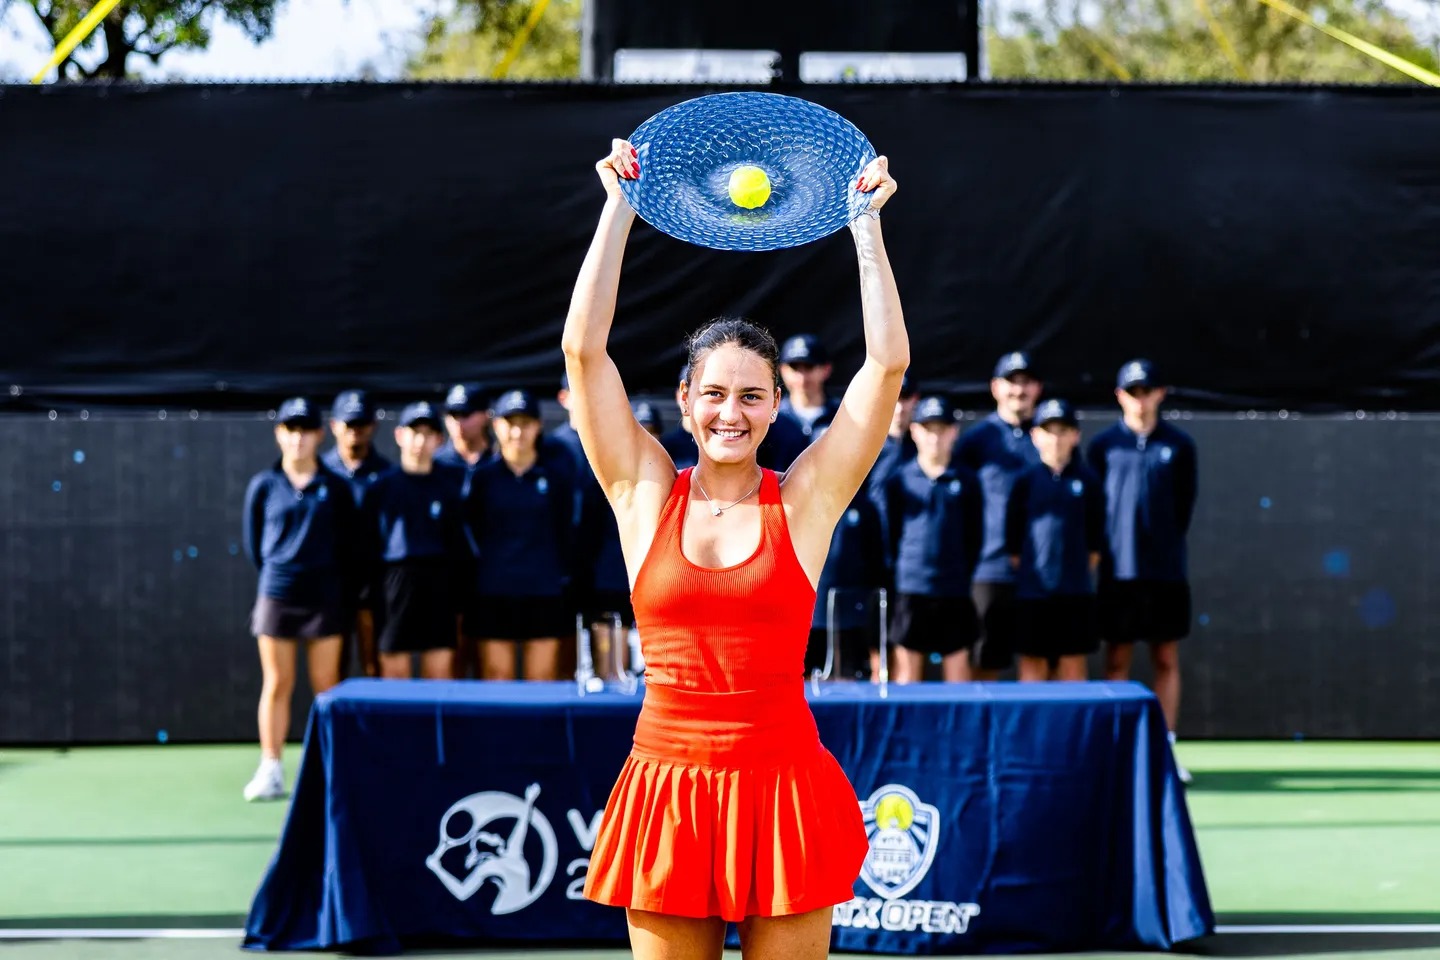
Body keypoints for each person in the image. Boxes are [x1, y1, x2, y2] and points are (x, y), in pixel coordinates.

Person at [563, 138, 905, 960]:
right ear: (684, 401)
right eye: (713, 393)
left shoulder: (807, 499)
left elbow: (887, 366)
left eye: (752, 396)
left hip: (784, 787)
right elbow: (582, 352)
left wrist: (864, 227)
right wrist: (619, 207)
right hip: (666, 789)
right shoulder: (643, 491)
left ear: (777, 405)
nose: (731, 412)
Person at [1086, 359, 1199, 781]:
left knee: (1165, 658)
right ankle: (1118, 749)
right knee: (1116, 659)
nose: (1140, 398)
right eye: (1132, 391)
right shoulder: (1103, 448)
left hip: (1166, 573)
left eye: (1146, 390)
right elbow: (1097, 511)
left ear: (1160, 393)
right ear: (1119, 396)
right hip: (1118, 574)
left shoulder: (1180, 446)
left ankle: (1165, 749)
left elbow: (1184, 509)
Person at [240, 398, 357, 802]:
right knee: (277, 682)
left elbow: (348, 544)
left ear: (319, 435)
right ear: (279, 435)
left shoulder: (336, 487)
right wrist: (281, 575)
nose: (298, 438)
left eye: (306, 430)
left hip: (325, 598)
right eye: (290, 429)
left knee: (326, 687)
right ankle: (270, 767)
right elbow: (255, 545)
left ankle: (332, 766)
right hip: (277, 596)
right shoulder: (264, 486)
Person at [461, 389, 576, 681]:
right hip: (494, 591)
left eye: (525, 423)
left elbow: (567, 528)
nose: (517, 431)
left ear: (538, 426)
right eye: (509, 422)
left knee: (544, 678)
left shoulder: (555, 476)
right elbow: (471, 528)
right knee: (496, 678)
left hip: (544, 591)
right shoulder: (482, 478)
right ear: (496, 426)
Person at [875, 395, 983, 683]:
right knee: (907, 670)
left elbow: (975, 535)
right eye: (928, 428)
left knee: (958, 670)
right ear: (915, 431)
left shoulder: (968, 480)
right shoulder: (900, 480)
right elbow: (893, 532)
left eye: (942, 428)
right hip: (912, 586)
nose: (935, 437)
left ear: (954, 432)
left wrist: (961, 571)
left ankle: (959, 729)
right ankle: (905, 729)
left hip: (954, 587)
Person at [953, 350, 1044, 680]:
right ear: (995, 387)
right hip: (989, 569)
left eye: (1026, 382)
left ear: (1038, 388)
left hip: (1043, 572)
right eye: (1011, 382)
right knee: (985, 661)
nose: (1018, 390)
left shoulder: (1051, 433)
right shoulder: (977, 440)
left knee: (1039, 661)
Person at [361, 402, 469, 681]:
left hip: (439, 584)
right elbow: (367, 547)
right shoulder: (381, 487)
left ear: (439, 439)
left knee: (440, 675)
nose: (420, 441)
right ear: (399, 435)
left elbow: (459, 545)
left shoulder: (451, 485)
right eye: (414, 432)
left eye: (428, 433)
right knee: (394, 675)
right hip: (395, 585)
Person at [1004, 399, 1105, 682]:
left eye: (1063, 430)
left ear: (1076, 435)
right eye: (1049, 430)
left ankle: (1073, 728)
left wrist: (1076, 574)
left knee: (1072, 666)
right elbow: (1013, 542)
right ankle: (1031, 727)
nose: (1056, 438)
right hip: (1032, 592)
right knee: (1032, 665)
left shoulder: (1089, 482)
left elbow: (1095, 543)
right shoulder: (1024, 481)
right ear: (1035, 436)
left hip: (1075, 591)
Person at [322, 389, 391, 679]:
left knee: (374, 665)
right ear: (334, 426)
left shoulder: (387, 473)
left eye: (361, 423)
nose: (355, 431)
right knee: (331, 670)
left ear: (373, 425)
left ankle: (378, 726)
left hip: (374, 586)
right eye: (349, 424)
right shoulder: (320, 471)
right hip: (330, 584)